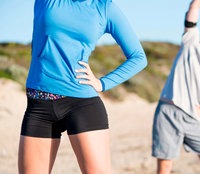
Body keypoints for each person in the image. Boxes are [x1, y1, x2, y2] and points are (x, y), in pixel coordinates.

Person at [18, 0, 147, 173]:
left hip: (82, 105)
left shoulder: (104, 8)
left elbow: (138, 57)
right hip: (39, 106)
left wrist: (103, 83)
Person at [151, 0, 200, 173]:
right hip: (168, 111)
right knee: (165, 166)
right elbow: (193, 9)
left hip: (194, 118)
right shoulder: (190, 43)